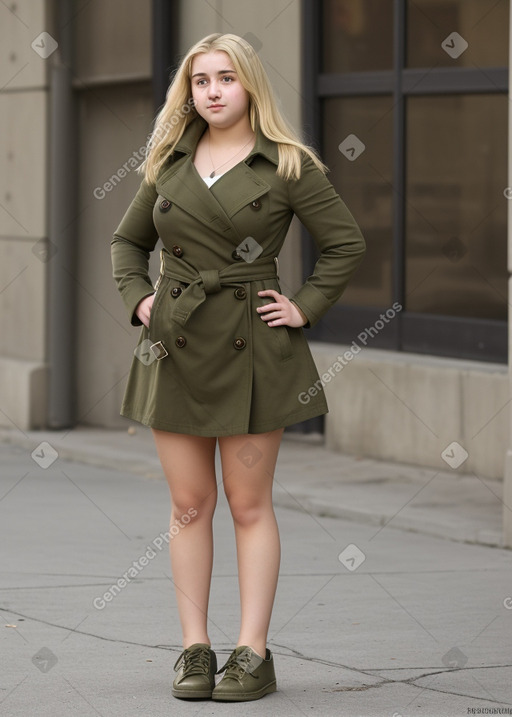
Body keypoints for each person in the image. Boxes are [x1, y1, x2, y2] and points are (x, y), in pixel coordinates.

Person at [111, 32, 366, 702]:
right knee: (189, 505)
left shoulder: (286, 163)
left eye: (226, 77)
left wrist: (305, 306)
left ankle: (252, 652)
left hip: (255, 345)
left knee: (249, 504)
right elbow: (127, 241)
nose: (214, 90)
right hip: (173, 346)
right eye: (201, 81)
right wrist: (140, 300)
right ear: (189, 92)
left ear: (249, 85)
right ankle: (195, 648)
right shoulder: (169, 160)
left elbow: (344, 242)